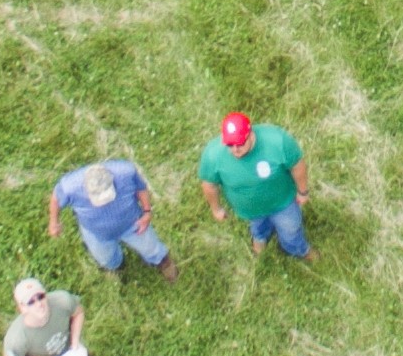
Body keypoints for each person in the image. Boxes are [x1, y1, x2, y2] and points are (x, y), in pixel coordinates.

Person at [196, 110, 310, 260]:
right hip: (250, 210)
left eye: (240, 143)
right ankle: (260, 238)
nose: (235, 149)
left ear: (250, 134)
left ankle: (299, 249)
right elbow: (209, 184)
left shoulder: (277, 141)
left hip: (282, 203)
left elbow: (297, 165)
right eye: (230, 144)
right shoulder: (213, 155)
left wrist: (303, 192)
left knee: (291, 230)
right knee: (257, 226)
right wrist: (216, 209)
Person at [50, 155, 172, 278]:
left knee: (151, 247)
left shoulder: (125, 171)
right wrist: (53, 222)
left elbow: (141, 188)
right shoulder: (69, 187)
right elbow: (56, 199)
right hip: (96, 233)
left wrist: (147, 212)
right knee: (106, 259)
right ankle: (118, 267)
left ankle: (163, 262)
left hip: (133, 224)